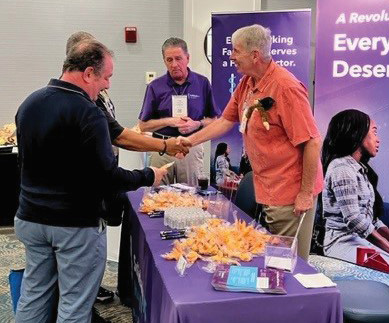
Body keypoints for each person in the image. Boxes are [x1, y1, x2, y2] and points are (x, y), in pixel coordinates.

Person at [14, 39, 167, 323]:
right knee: (74, 306)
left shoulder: (29, 103)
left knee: (33, 296)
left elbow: (25, 165)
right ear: (87, 73)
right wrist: (149, 176)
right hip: (74, 225)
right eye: (106, 77)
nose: (106, 85)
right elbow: (107, 178)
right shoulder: (89, 113)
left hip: (31, 219)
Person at [184, 24, 324, 261]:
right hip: (268, 187)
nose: (231, 56)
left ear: (254, 55)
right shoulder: (247, 83)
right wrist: (188, 141)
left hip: (291, 193)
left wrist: (305, 193)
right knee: (272, 257)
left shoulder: (285, 87)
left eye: (235, 51)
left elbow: (312, 142)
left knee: (287, 263)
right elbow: (225, 121)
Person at [138, 37, 220, 186]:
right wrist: (170, 121)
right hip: (161, 147)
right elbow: (143, 126)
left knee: (191, 196)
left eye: (178, 58)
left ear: (187, 58)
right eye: (169, 60)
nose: (174, 64)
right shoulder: (155, 87)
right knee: (158, 196)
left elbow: (214, 121)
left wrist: (197, 124)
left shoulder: (202, 83)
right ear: (164, 61)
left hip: (191, 146)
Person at [321, 109, 389, 265]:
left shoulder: (361, 170)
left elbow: (371, 220)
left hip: (359, 241)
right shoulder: (342, 169)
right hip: (342, 243)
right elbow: (354, 220)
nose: (378, 139)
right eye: (374, 132)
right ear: (358, 134)